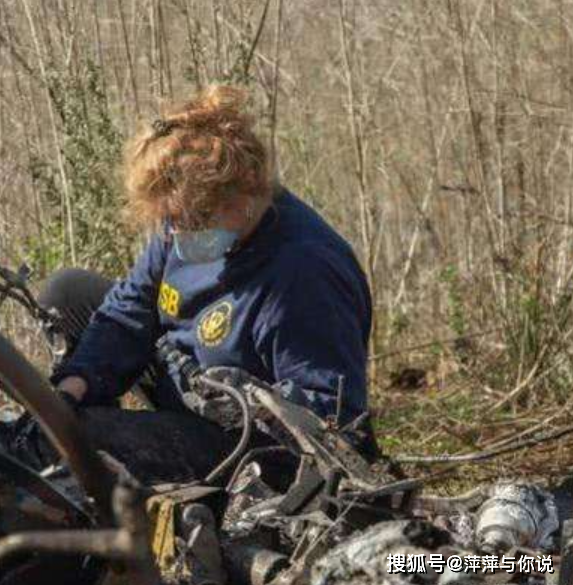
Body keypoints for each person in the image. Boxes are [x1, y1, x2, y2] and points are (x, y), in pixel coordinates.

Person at [41, 85, 374, 478]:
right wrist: (73, 385)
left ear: (244, 195)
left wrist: (238, 412)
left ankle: (133, 471)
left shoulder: (303, 273)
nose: (177, 233)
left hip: (244, 441)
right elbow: (128, 310)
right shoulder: (182, 225)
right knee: (68, 292)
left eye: (192, 221)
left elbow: (328, 420)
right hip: (183, 374)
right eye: (171, 220)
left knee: (85, 437)